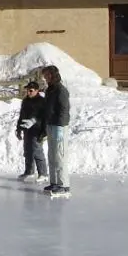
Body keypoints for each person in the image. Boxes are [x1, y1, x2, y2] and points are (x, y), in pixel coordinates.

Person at [41, 65, 71, 195]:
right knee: (52, 155)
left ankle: (63, 184)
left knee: (60, 156)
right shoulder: (50, 89)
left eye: (48, 75)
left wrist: (60, 126)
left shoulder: (61, 90)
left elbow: (64, 109)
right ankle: (54, 182)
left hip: (59, 126)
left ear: (53, 75)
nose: (46, 77)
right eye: (45, 75)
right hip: (50, 125)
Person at [14, 80, 47, 183]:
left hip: (37, 130)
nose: (28, 92)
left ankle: (43, 173)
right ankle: (29, 172)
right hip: (27, 130)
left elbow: (45, 118)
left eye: (31, 90)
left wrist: (43, 132)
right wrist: (19, 129)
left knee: (37, 151)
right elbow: (21, 116)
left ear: (37, 90)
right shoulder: (25, 101)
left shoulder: (42, 102)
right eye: (27, 90)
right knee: (27, 151)